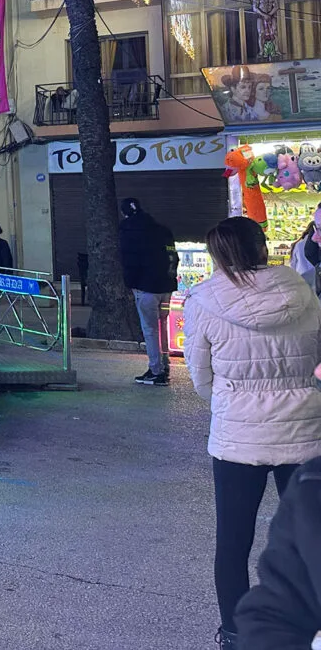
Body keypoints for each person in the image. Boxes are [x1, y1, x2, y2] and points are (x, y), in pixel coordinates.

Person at [183, 217, 321, 649]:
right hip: (305, 431)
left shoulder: (204, 300)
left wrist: (229, 403)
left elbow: (200, 375)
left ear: (218, 256)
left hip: (237, 439)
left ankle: (237, 635)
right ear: (262, 247)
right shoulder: (302, 291)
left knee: (233, 542)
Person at [235, 370, 321, 649]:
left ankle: (229, 636)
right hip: (298, 431)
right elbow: (277, 611)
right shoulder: (312, 486)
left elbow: (201, 374)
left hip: (238, 432)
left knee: (232, 545)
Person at [118, 197, 177, 385]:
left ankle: (156, 370)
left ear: (124, 213)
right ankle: (164, 364)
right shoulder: (162, 230)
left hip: (145, 288)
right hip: (166, 287)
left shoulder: (128, 231)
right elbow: (173, 256)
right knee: (163, 326)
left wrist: (130, 282)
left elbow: (129, 262)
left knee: (150, 329)